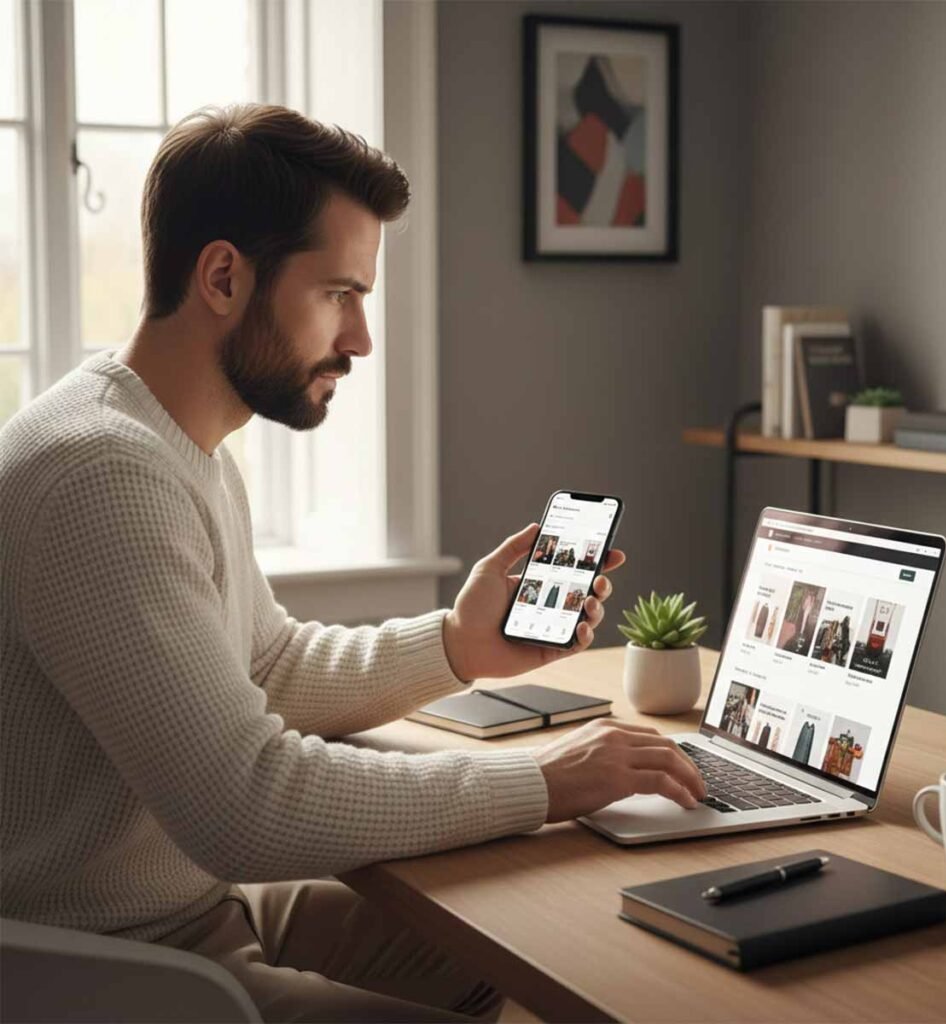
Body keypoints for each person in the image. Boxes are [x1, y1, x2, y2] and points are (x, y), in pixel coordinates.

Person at [0, 104, 706, 1023]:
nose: (361, 338)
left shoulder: (177, 444)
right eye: (339, 294)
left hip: (187, 914)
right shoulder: (102, 473)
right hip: (104, 970)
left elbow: (267, 669)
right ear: (223, 276)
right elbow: (244, 804)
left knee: (521, 956)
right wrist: (545, 783)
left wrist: (456, 645)